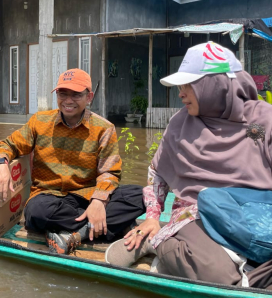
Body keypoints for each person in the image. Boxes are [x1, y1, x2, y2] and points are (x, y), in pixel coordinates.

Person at [105, 42, 272, 289]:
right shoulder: (180, 124)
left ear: (214, 84)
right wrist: (152, 217)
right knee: (221, 277)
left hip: (256, 215)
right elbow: (157, 172)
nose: (180, 93)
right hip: (197, 214)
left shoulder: (263, 119)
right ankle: (162, 242)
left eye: (188, 85)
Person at [0, 68, 145, 255]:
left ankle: (78, 232)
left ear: (89, 97)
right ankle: (108, 225)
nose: (68, 100)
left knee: (143, 195)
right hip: (49, 197)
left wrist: (98, 201)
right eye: (63, 94)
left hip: (86, 197)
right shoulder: (39, 122)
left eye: (76, 95)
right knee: (36, 212)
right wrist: (1, 164)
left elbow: (109, 172)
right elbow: (8, 145)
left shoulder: (104, 128)